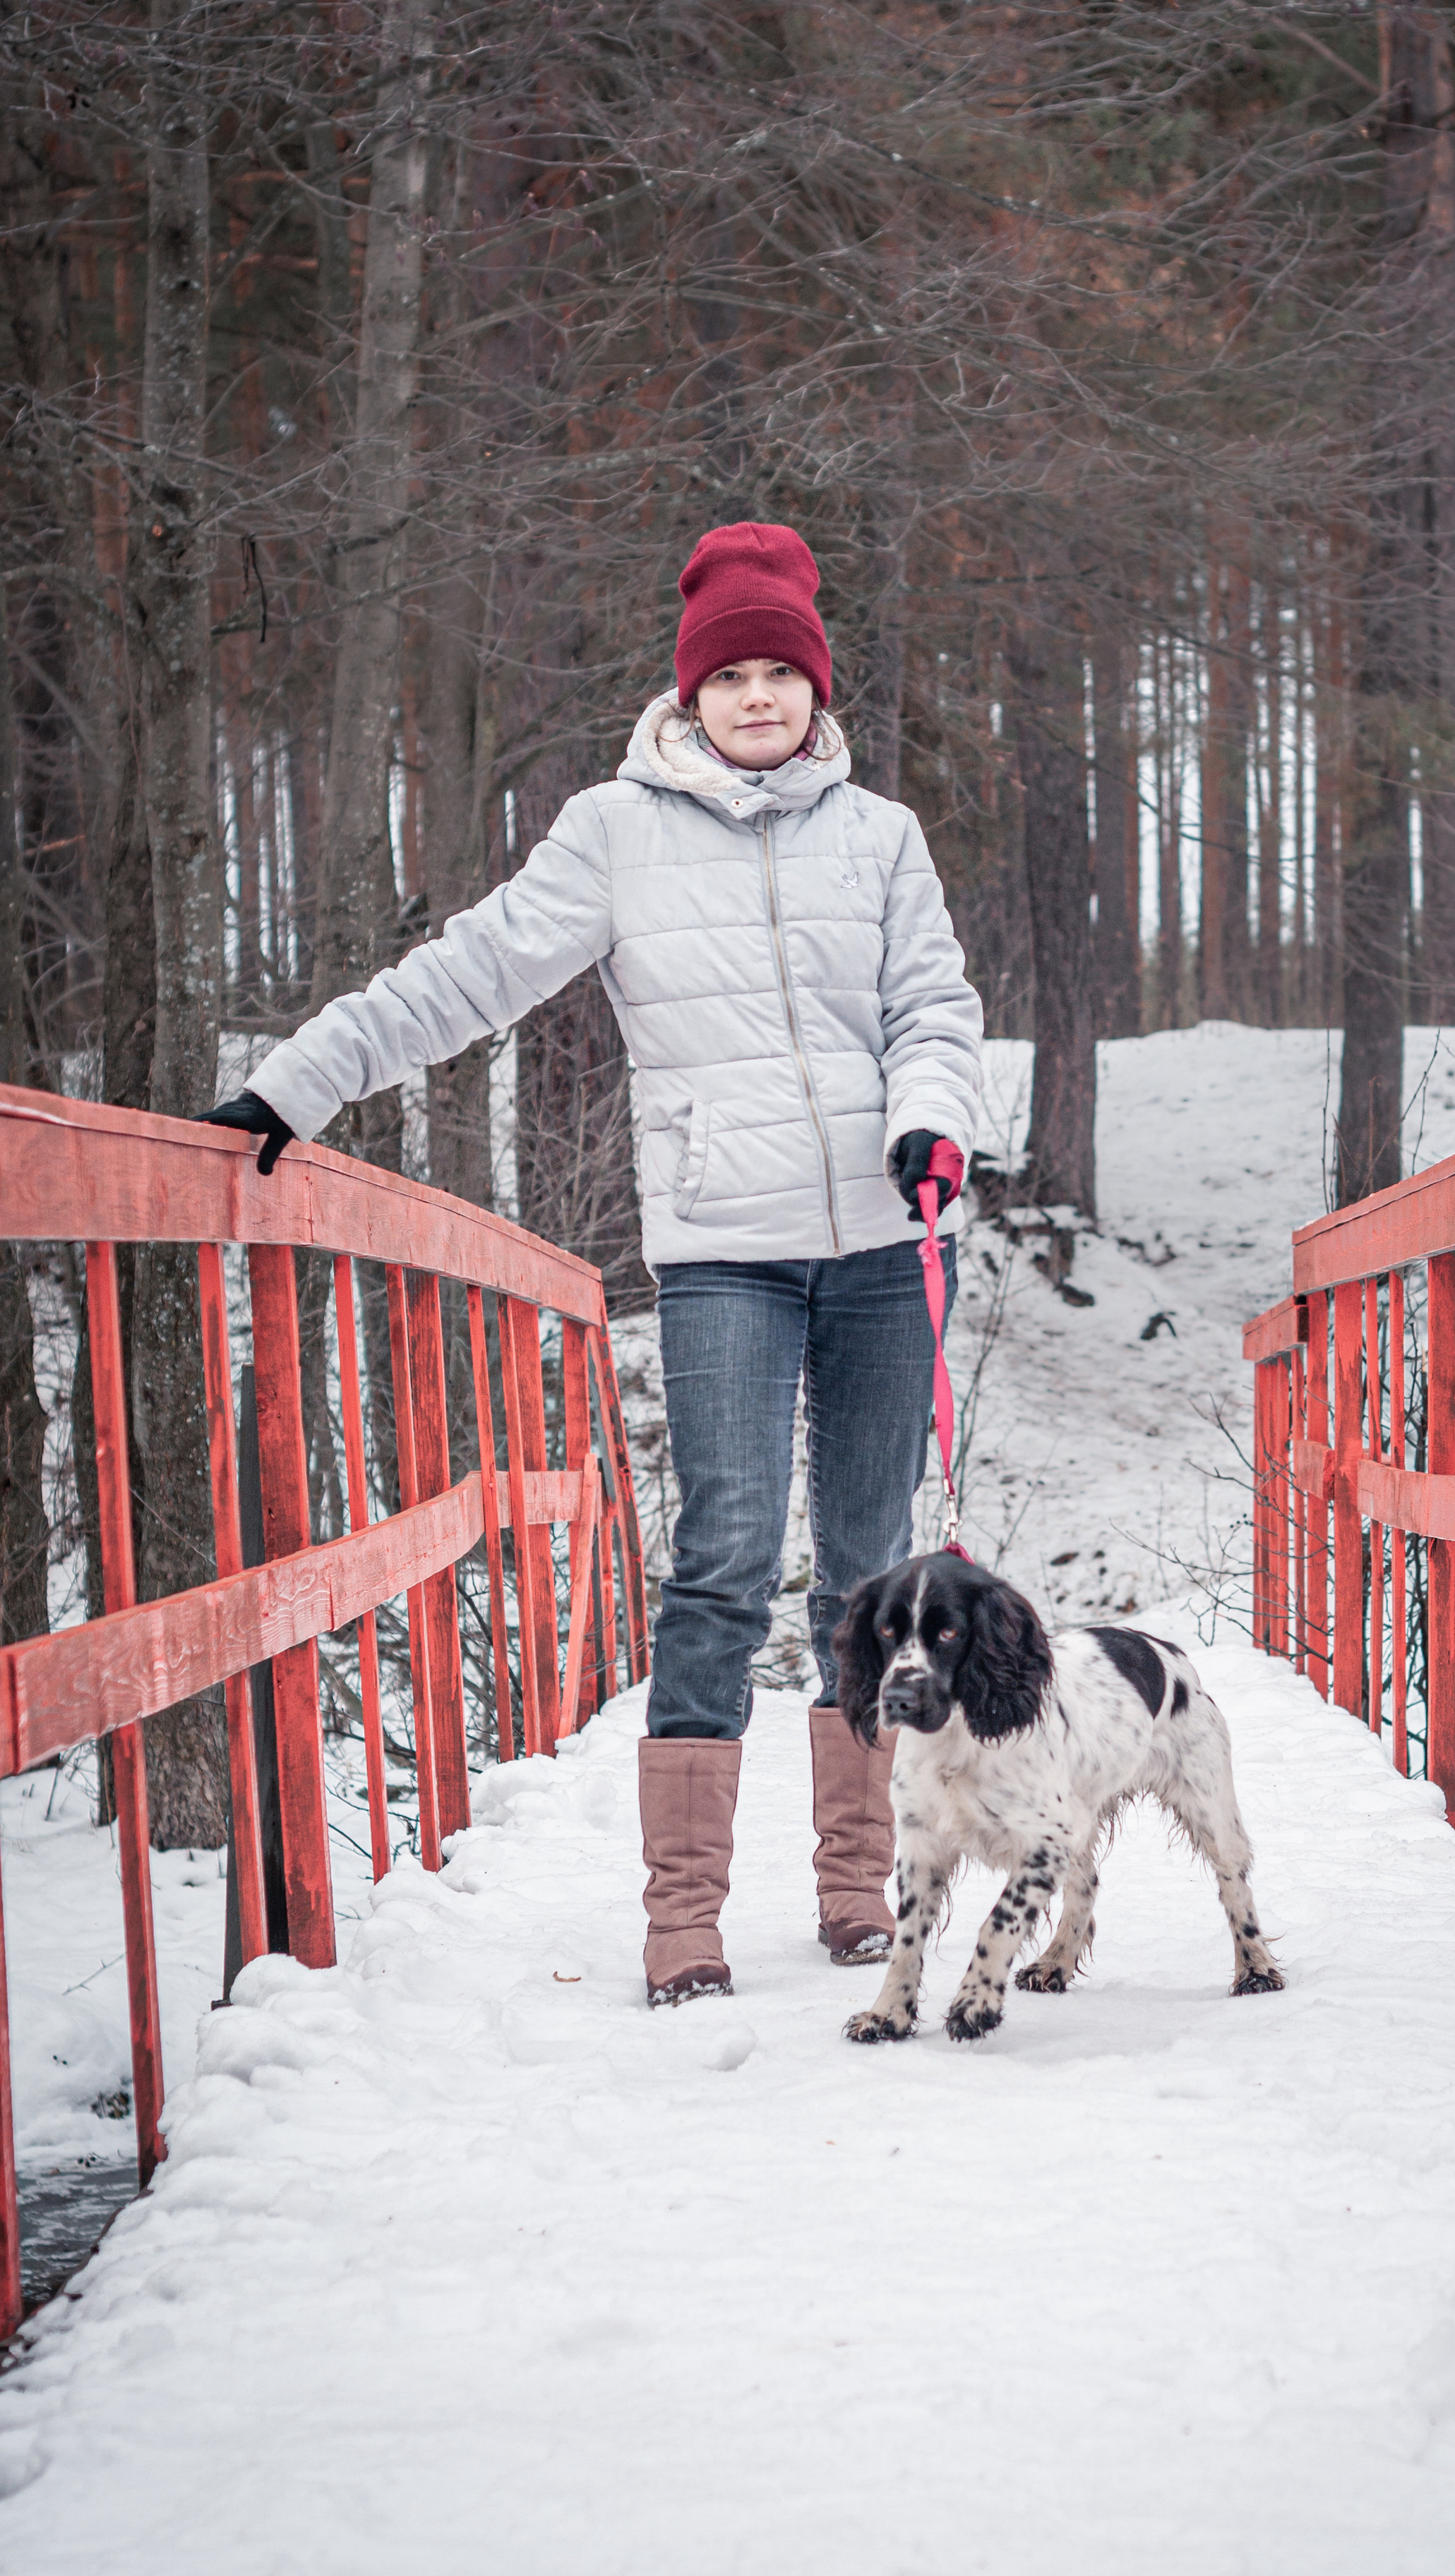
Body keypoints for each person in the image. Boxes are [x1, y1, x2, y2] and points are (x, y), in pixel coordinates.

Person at [202, 521, 983, 2006]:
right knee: (723, 1560)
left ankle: (851, 1884)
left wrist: (932, 1120)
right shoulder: (611, 831)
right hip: (721, 1256)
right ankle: (681, 1916)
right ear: (688, 693)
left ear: (817, 690)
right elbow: (471, 969)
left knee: (873, 1573)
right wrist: (297, 1082)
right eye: (729, 675)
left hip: (885, 1244)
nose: (757, 698)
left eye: (780, 674)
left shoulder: (879, 837)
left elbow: (931, 1004)